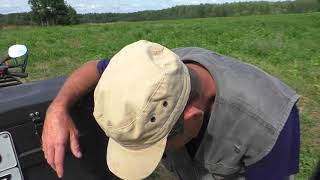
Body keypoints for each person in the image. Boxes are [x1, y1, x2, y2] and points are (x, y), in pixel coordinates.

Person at [42, 40, 300, 180]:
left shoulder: (270, 123)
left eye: (156, 146)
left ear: (193, 117)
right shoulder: (147, 71)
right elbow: (94, 69)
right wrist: (58, 107)